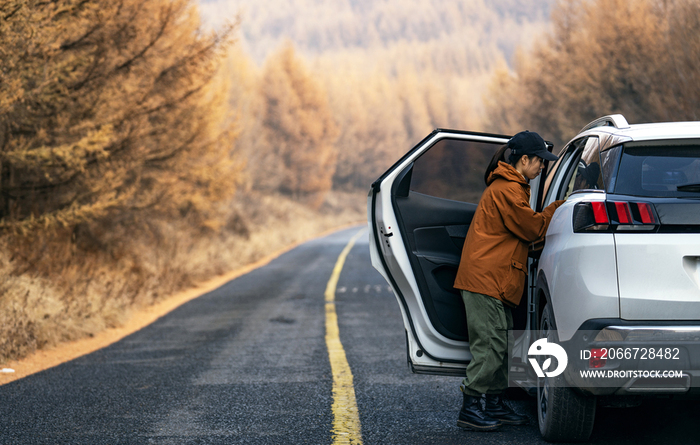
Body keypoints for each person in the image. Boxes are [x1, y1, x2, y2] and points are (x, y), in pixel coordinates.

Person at [453, 130, 566, 431]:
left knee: (502, 346)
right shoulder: (506, 189)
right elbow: (531, 228)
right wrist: (558, 207)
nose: (543, 166)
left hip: (496, 280)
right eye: (540, 161)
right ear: (524, 159)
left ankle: (493, 402)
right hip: (485, 280)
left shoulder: (515, 187)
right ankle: (471, 405)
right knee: (490, 346)